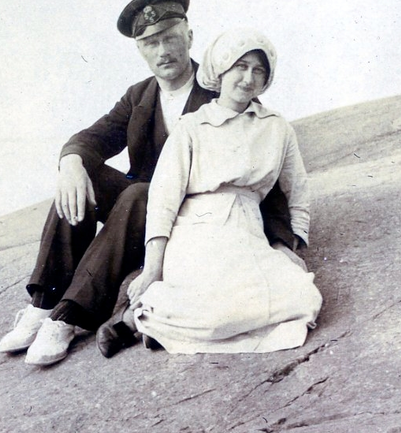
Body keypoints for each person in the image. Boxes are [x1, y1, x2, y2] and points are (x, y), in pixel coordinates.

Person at [0, 0, 301, 366]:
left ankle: (69, 316)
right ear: (140, 49)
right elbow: (93, 138)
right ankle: (43, 303)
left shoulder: (222, 92)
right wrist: (71, 162)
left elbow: (263, 174)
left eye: (170, 38)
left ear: (189, 36)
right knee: (82, 174)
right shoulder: (139, 96)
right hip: (138, 219)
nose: (162, 51)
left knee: (141, 192)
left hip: (190, 223)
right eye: (150, 43)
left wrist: (282, 242)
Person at [118, 28, 322, 354]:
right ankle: (149, 315)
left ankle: (162, 324)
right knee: (214, 312)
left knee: (304, 297)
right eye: (240, 67)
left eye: (258, 70)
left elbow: (296, 190)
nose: (248, 78)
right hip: (197, 231)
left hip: (249, 232)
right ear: (221, 70)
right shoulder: (191, 126)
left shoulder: (276, 127)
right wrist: (153, 269)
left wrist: (292, 245)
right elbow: (163, 199)